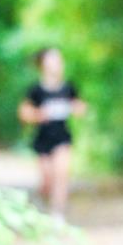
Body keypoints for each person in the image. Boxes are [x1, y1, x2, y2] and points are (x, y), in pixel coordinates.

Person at [18, 47, 86, 219]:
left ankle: (58, 213)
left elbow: (81, 107)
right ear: (42, 64)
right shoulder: (36, 90)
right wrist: (39, 115)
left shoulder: (68, 87)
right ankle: (44, 202)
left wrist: (73, 108)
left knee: (61, 174)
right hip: (43, 138)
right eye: (52, 60)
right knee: (47, 179)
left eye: (58, 60)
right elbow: (24, 113)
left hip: (62, 136)